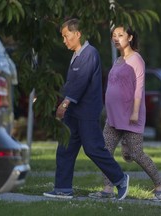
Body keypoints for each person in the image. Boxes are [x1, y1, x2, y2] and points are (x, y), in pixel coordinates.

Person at [43, 18, 129, 200]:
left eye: (66, 36)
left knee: (93, 149)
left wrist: (64, 103)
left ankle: (120, 179)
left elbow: (80, 83)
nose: (64, 40)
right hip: (73, 113)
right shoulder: (77, 55)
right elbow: (72, 84)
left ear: (78, 34)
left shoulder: (90, 53)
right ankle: (62, 188)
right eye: (63, 37)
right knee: (65, 148)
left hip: (86, 113)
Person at [88, 25, 161, 202]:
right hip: (113, 117)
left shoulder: (136, 59)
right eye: (114, 35)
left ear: (130, 37)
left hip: (131, 115)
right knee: (105, 151)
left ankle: (160, 185)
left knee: (137, 154)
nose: (116, 38)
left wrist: (134, 112)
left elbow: (139, 88)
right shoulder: (118, 61)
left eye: (120, 35)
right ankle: (108, 188)